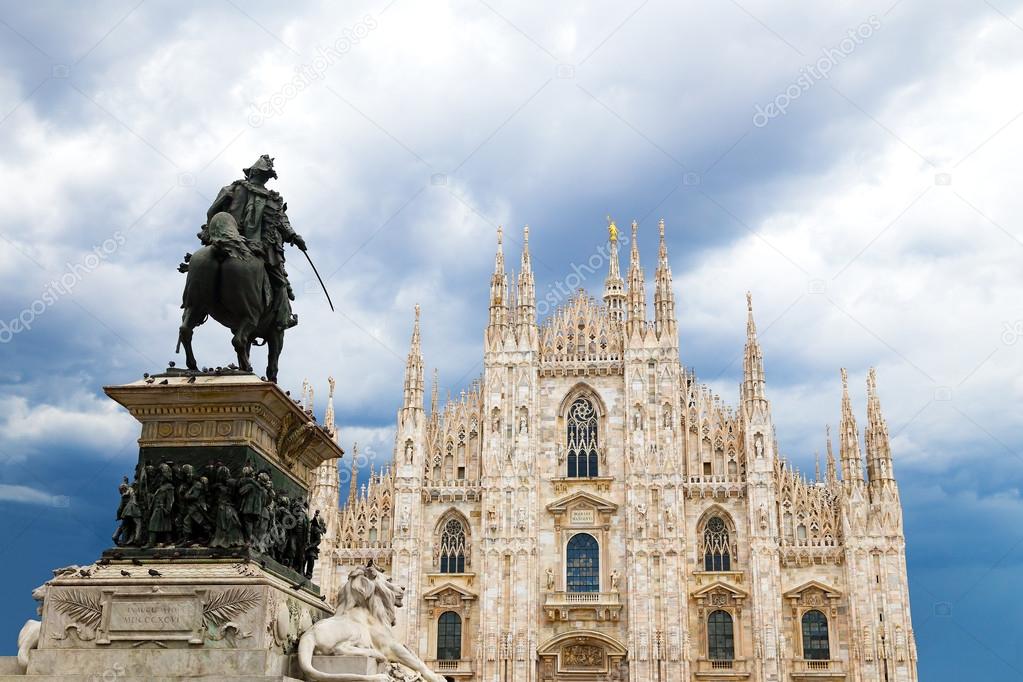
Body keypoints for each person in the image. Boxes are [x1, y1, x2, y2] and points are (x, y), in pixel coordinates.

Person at [203, 155, 306, 331]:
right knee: (280, 281)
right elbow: (282, 222)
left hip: (229, 238)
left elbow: (214, 213)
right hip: (258, 246)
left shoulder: (233, 189)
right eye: (265, 174)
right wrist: (294, 236)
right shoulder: (270, 199)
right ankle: (283, 319)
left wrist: (294, 236)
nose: (263, 177)